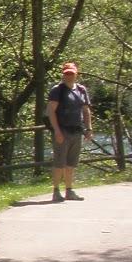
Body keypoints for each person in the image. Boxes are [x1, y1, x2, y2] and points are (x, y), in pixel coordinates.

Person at [47, 61, 92, 202]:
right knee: (59, 162)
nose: (69, 76)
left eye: (71, 73)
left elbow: (86, 110)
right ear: (63, 74)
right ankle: (56, 191)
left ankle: (69, 190)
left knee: (71, 163)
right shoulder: (57, 90)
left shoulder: (81, 90)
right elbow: (50, 111)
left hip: (76, 130)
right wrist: (57, 131)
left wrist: (88, 128)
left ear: (76, 74)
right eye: (66, 73)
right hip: (62, 130)